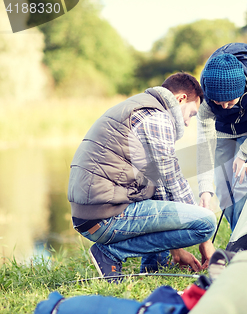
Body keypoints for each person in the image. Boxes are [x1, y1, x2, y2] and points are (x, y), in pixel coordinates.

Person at [67, 72, 216, 279]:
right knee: (207, 222)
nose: (189, 122)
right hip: (104, 217)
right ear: (181, 99)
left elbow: (160, 187)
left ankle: (154, 266)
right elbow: (173, 179)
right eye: (191, 114)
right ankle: (110, 253)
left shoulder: (140, 108)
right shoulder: (157, 118)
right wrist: (205, 241)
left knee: (155, 195)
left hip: (91, 215)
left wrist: (176, 248)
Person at [197, 43, 247, 231]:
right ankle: (238, 235)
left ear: (241, 90)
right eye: (218, 102)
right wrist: (204, 188)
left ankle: (243, 239)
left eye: (230, 102)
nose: (224, 107)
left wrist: (245, 154)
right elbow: (205, 144)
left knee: (242, 185)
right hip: (222, 131)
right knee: (223, 191)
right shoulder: (206, 89)